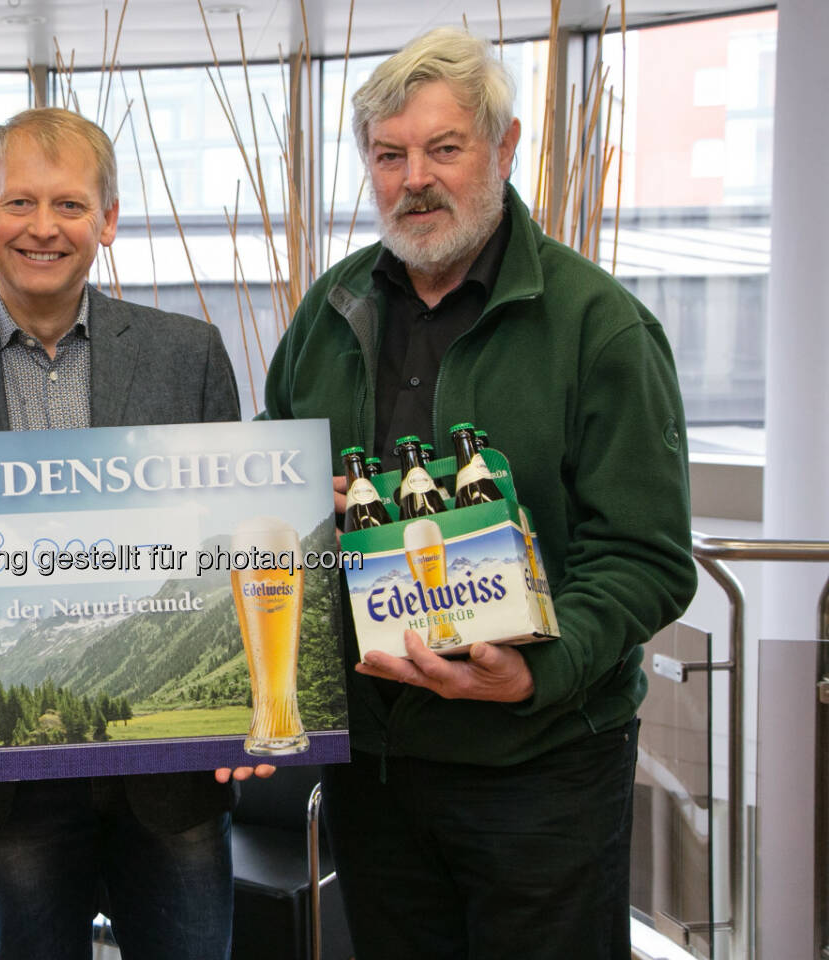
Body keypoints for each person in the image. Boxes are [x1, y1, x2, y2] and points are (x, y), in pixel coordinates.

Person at [261, 29, 696, 960]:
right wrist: (304, 511)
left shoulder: (599, 327)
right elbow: (270, 502)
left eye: (444, 148)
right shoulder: (327, 314)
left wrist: (540, 667)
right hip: (374, 767)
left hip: (539, 767)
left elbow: (649, 558)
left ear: (502, 150)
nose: (414, 178)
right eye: (389, 154)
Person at [0, 107, 261, 960]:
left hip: (173, 780)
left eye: (71, 205)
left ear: (107, 220)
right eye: (19, 203)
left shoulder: (190, 356)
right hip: (6, 790)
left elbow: (237, 551)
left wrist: (258, 705)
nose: (44, 227)